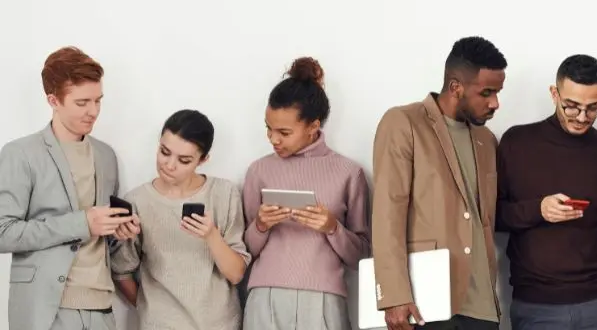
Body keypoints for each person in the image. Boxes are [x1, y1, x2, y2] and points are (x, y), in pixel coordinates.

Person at [372, 36, 507, 330]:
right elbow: (387, 213)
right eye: (486, 92)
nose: (495, 102)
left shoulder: (487, 140)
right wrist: (393, 294)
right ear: (455, 87)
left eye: (497, 92)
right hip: (426, 303)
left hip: (482, 308)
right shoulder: (403, 122)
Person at [0, 46, 139, 330]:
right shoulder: (21, 153)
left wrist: (121, 233)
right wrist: (82, 222)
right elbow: (3, 232)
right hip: (48, 310)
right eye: (82, 102)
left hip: (101, 309)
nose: (93, 112)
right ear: (53, 100)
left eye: (98, 100)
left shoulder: (105, 156)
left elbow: (104, 240)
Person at [495, 54, 597, 330]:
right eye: (572, 107)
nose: (582, 117)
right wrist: (538, 210)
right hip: (537, 306)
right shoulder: (517, 142)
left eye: (593, 108)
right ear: (554, 94)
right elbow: (492, 216)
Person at [242, 57, 370, 330]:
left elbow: (361, 257)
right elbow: (245, 251)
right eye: (268, 128)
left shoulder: (349, 173)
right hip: (266, 296)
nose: (274, 139)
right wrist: (261, 225)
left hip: (324, 298)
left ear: (313, 127)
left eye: (284, 132)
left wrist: (332, 227)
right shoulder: (258, 170)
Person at [111, 109, 251, 330]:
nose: (169, 165)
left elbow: (236, 275)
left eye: (184, 160)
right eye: (164, 152)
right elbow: (121, 271)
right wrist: (152, 312)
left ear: (203, 159)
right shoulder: (138, 201)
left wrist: (211, 235)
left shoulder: (224, 194)